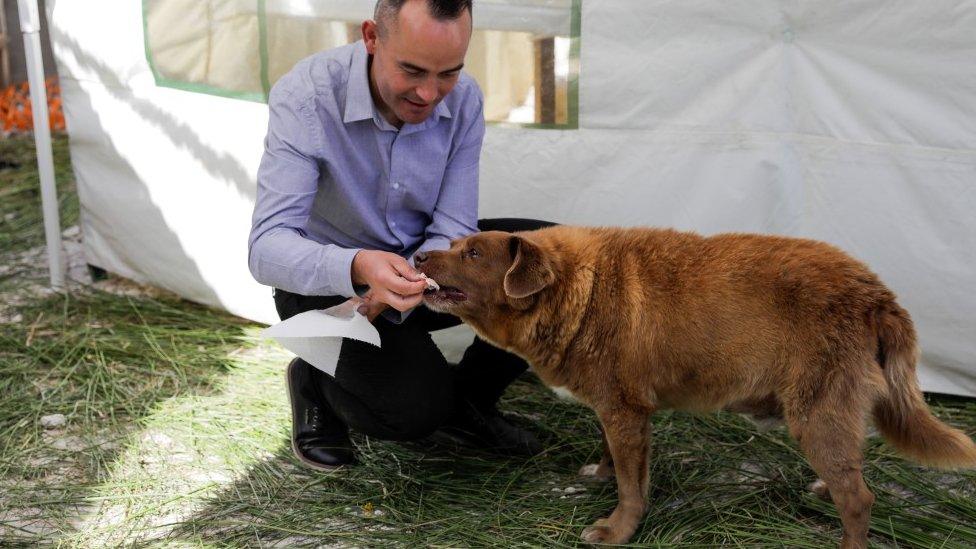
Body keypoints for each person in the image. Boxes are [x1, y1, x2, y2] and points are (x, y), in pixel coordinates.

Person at [248, 0, 552, 469]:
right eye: (411, 70)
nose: (430, 94)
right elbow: (266, 248)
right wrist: (359, 266)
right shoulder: (305, 96)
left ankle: (470, 402)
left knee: (552, 259)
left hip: (418, 270)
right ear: (371, 37)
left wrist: (409, 278)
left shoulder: (464, 97)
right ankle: (314, 376)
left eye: (448, 72)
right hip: (327, 290)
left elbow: (453, 226)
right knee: (411, 415)